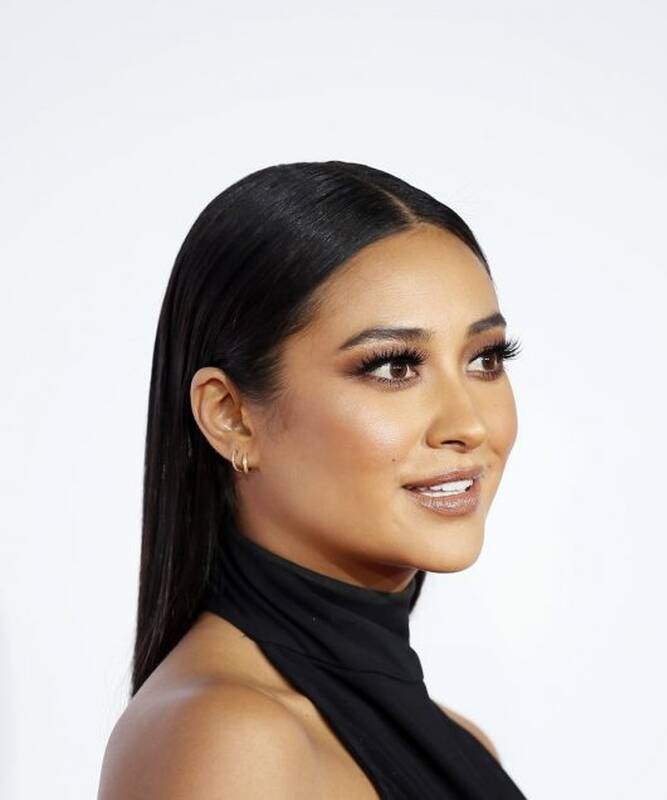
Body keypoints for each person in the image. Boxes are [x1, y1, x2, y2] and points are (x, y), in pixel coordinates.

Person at [98, 162, 529, 798]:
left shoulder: (461, 743)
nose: (468, 424)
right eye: (392, 367)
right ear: (231, 416)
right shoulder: (231, 741)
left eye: (485, 358)